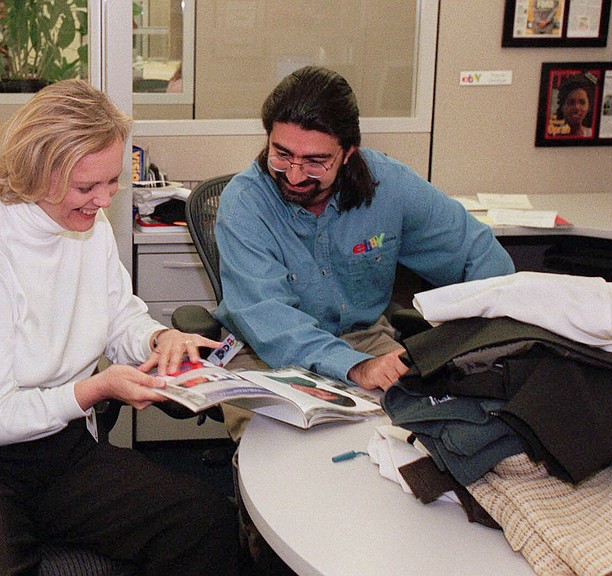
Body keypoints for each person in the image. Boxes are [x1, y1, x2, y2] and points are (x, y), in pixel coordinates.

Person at [0, 79, 239, 576]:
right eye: (86, 187)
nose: (103, 200)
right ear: (36, 172)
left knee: (204, 525)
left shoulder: (86, 228)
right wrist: (94, 389)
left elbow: (119, 314)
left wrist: (158, 339)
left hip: (58, 442)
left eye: (111, 181)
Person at [214, 66, 515, 439]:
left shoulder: (389, 185)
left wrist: (486, 337)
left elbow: (478, 253)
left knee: (415, 437)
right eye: (282, 154)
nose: (293, 175)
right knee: (281, 455)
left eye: (315, 161)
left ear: (348, 153)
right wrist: (354, 367)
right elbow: (267, 317)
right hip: (262, 349)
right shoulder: (244, 204)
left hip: (364, 338)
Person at [555, 73, 596, 138]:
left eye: (582, 103)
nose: (577, 107)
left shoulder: (591, 134)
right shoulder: (554, 135)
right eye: (571, 102)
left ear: (588, 107)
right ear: (562, 106)